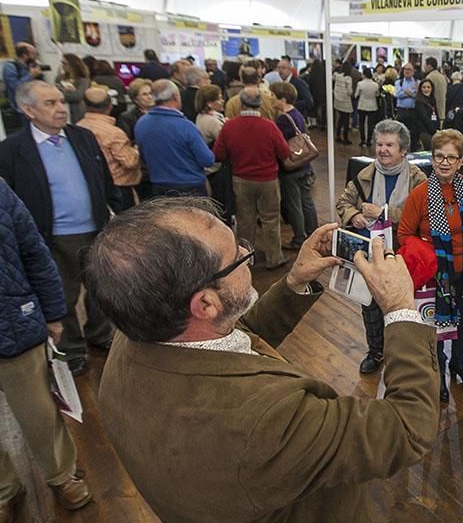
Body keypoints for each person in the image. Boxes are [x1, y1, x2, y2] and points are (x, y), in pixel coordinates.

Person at [86, 198, 439, 522]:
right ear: (205, 303)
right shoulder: (263, 420)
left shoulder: (134, 340)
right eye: (238, 257)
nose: (247, 253)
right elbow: (408, 428)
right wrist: (400, 308)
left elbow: (230, 340)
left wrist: (297, 281)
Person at [0, 81, 120, 376]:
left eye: (61, 102)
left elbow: (104, 180)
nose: (60, 109)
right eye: (50, 104)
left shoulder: (83, 137)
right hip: (50, 236)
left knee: (101, 288)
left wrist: (117, 214)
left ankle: (101, 334)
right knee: (62, 295)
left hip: (95, 228)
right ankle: (72, 349)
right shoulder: (13, 150)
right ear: (28, 110)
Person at [0, 179, 93, 518]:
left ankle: (61, 475)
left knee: (38, 411)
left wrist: (54, 313)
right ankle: (4, 489)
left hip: (12, 323)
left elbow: (34, 251)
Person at [398, 129, 463, 403]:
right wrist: (428, 253)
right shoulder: (420, 194)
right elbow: (404, 234)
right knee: (438, 330)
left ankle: (460, 365)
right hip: (436, 277)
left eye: (451, 158)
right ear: (432, 158)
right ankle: (439, 376)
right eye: (439, 156)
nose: (445, 162)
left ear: (460, 162)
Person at [337, 120, 427, 374]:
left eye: (389, 145)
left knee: (401, 306)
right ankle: (376, 351)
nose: (382, 149)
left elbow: (422, 217)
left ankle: (403, 355)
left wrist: (384, 212)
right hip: (369, 254)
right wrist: (353, 214)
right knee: (369, 305)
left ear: (404, 151)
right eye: (379, 144)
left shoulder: (418, 179)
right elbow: (343, 202)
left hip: (401, 255)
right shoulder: (364, 175)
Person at [213, 88, 291, 270]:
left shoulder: (229, 126)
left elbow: (218, 154)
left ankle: (247, 258)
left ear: (241, 103)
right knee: (270, 219)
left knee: (245, 220)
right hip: (268, 180)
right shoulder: (269, 126)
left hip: (241, 180)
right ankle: (275, 258)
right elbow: (284, 152)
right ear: (260, 103)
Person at [134, 79, 215, 197]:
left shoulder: (141, 123)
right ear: (176, 97)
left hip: (158, 186)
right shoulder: (185, 126)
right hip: (190, 187)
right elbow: (207, 160)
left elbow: (143, 157)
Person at [76, 87, 141, 211]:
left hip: (92, 185)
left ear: (84, 105)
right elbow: (129, 162)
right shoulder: (113, 133)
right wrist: (135, 151)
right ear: (110, 106)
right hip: (118, 188)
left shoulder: (78, 127)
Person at [271, 81, 318, 249]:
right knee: (306, 201)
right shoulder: (297, 114)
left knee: (294, 204)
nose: (272, 100)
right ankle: (313, 233)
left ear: (282, 99)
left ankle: (299, 238)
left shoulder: (283, 119)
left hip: (291, 166)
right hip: (304, 164)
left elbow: (280, 145)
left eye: (274, 97)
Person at [194, 83, 233, 222]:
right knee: (223, 205)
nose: (222, 101)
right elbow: (228, 142)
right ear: (209, 103)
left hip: (209, 168)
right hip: (216, 168)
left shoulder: (202, 116)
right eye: (219, 98)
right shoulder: (212, 122)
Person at [3, 42, 42, 127]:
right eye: (34, 54)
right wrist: (31, 75)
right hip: (21, 109)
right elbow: (17, 87)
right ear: (25, 55)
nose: (36, 56)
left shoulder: (31, 66)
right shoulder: (10, 67)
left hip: (36, 105)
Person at [56, 53, 90, 123]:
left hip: (77, 110)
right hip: (63, 108)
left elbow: (78, 96)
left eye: (65, 63)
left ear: (72, 65)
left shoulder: (82, 80)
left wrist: (63, 94)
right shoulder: (59, 78)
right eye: (62, 63)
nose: (63, 66)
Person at [394, 63, 419, 148]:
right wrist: (409, 93)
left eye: (409, 69)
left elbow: (416, 95)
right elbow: (398, 95)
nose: (407, 71)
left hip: (413, 111)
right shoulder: (399, 82)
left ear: (413, 71)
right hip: (402, 111)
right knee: (400, 133)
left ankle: (413, 151)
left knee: (413, 134)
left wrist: (405, 92)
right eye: (405, 69)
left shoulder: (417, 82)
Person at [355, 68, 380, 147]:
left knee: (361, 123)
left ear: (364, 75)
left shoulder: (360, 84)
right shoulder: (375, 85)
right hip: (372, 106)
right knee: (370, 124)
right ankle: (369, 140)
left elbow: (356, 95)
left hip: (362, 105)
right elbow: (377, 95)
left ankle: (362, 140)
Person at [413, 78, 439, 151]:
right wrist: (434, 130)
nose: (426, 89)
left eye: (428, 87)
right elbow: (425, 118)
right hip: (424, 131)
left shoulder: (432, 99)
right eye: (424, 87)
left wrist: (437, 128)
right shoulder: (419, 101)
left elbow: (436, 115)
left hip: (433, 130)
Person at [333, 61, 354, 145]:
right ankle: (345, 138)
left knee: (340, 118)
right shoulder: (348, 78)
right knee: (346, 120)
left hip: (337, 100)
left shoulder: (337, 76)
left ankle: (337, 135)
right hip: (345, 101)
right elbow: (349, 91)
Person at [424, 57, 447, 125]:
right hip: (442, 109)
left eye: (425, 65)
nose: (424, 67)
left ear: (429, 66)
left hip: (433, 110)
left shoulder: (429, 77)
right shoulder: (442, 77)